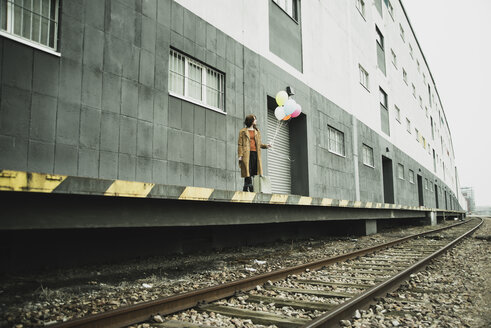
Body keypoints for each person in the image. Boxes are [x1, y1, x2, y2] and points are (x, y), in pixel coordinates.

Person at [238, 114, 271, 192]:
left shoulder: (257, 131)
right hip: (246, 153)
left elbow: (259, 144)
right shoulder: (242, 131)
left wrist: (266, 146)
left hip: (255, 153)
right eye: (254, 119)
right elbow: (240, 144)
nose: (256, 121)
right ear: (251, 121)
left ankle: (246, 186)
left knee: (253, 170)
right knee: (247, 169)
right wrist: (240, 155)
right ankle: (250, 185)